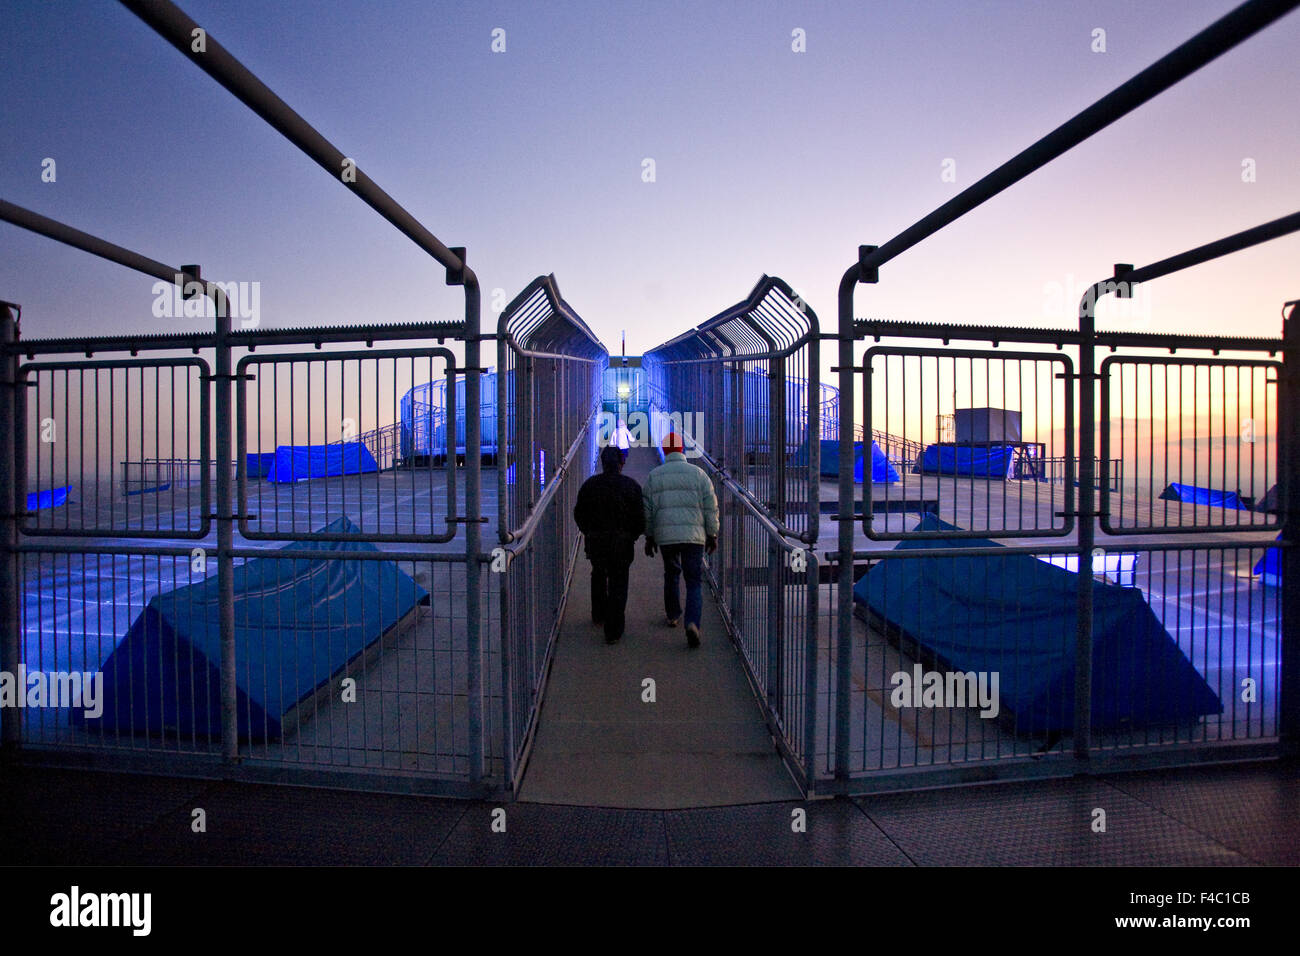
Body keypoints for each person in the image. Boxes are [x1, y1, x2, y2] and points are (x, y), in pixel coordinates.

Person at [642, 432, 718, 648]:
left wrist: (650, 536)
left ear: (665, 450)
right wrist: (712, 534)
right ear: (683, 450)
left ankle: (673, 614)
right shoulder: (699, 474)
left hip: (667, 537)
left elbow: (647, 510)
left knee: (671, 573)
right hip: (694, 537)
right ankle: (692, 623)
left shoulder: (654, 476)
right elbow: (710, 508)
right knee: (694, 581)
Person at [573, 444, 645, 644]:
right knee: (619, 581)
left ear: (603, 463)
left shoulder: (590, 485)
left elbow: (579, 513)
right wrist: (633, 535)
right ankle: (613, 630)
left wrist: (588, 531)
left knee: (598, 572)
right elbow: (640, 518)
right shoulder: (632, 486)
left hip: (596, 541)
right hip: (622, 543)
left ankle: (598, 614)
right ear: (622, 463)